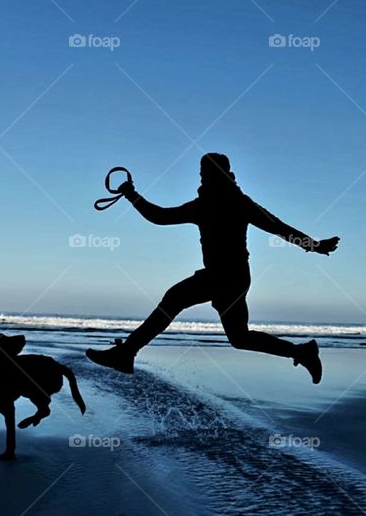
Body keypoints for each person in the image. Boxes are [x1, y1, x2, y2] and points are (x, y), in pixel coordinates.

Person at [86, 153, 339, 383]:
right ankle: (301, 351)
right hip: (235, 277)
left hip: (224, 277)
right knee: (239, 338)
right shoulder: (224, 202)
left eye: (204, 173)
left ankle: (127, 352)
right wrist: (314, 246)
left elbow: (277, 227)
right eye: (201, 173)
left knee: (174, 299)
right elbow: (161, 217)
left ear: (216, 173)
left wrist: (132, 196)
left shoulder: (220, 203)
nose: (202, 177)